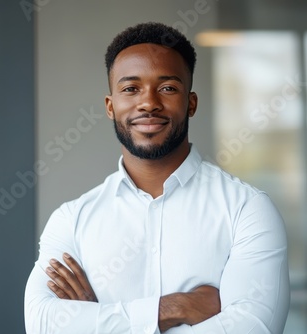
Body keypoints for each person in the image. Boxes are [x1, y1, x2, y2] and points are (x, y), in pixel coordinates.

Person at [24, 22, 290, 333]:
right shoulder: (71, 219)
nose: (149, 103)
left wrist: (98, 319)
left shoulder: (248, 209)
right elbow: (42, 323)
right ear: (111, 106)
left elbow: (255, 327)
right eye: (130, 88)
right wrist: (176, 307)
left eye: (167, 88)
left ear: (190, 103)